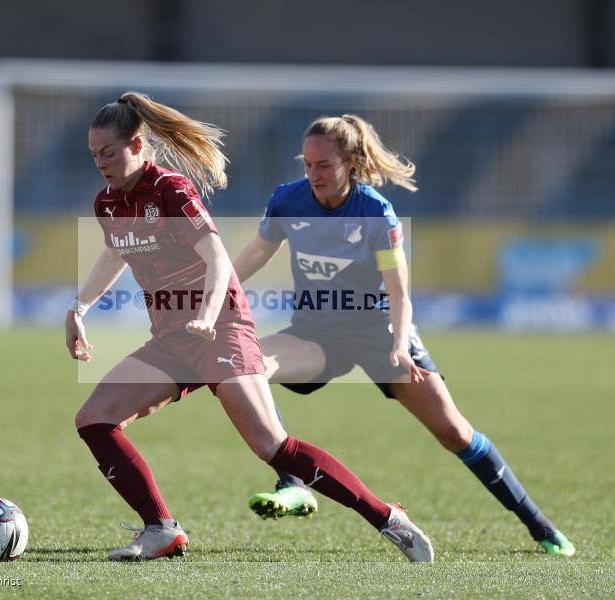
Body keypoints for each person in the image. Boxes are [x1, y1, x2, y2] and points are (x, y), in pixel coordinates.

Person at [67, 93, 434, 562]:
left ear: (138, 145)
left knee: (272, 447)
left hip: (218, 329)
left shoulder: (171, 190)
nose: (100, 163)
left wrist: (206, 311)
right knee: (94, 420)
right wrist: (79, 307)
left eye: (108, 153)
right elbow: (117, 251)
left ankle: (388, 519)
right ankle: (160, 529)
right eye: (94, 154)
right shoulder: (109, 201)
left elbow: (218, 259)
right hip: (172, 339)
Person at [232, 114, 576, 557]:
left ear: (351, 162)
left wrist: (397, 345)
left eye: (324, 165)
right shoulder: (287, 200)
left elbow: (399, 294)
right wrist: (216, 292)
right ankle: (294, 485)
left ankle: (540, 525)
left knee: (454, 432)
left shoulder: (375, 211)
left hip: (380, 332)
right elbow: (258, 252)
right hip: (318, 331)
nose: (313, 175)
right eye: (307, 164)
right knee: (248, 366)